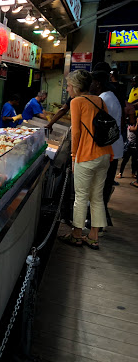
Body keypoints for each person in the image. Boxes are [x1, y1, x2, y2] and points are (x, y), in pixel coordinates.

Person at [59, 69, 113, 250]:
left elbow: (76, 132)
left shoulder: (77, 102)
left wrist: (74, 156)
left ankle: (76, 235)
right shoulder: (99, 100)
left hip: (87, 155)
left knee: (80, 197)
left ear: (75, 86)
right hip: (105, 153)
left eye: (68, 85)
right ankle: (93, 237)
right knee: (97, 197)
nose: (67, 89)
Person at [89, 71, 124, 226]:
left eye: (91, 82)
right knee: (103, 187)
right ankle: (102, 220)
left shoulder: (104, 99)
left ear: (97, 83)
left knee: (99, 188)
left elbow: (97, 126)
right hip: (113, 148)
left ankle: (97, 224)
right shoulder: (111, 96)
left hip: (108, 149)